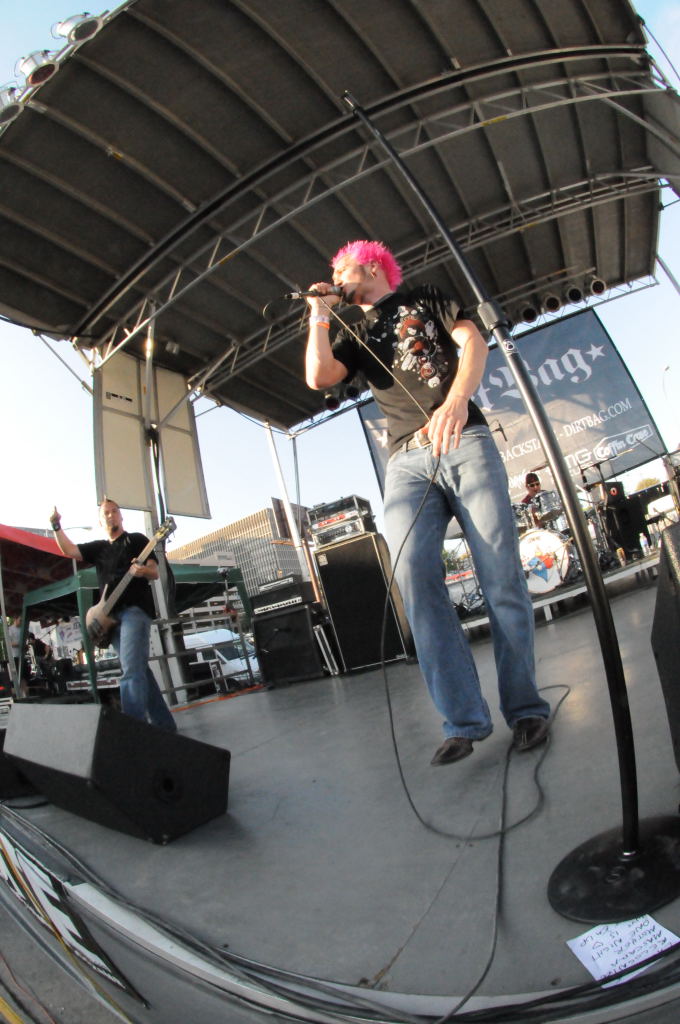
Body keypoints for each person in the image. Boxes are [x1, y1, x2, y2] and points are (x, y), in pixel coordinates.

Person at [305, 239, 550, 765]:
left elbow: (473, 342)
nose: (337, 278)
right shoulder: (351, 332)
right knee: (414, 577)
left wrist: (458, 399)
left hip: (464, 438)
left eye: (342, 269)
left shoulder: (428, 297)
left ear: (371, 266)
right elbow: (318, 376)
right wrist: (319, 316)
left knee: (501, 576)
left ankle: (526, 709)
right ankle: (464, 721)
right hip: (405, 460)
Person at [49, 499, 176, 732]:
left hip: (135, 610)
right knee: (138, 669)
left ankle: (132, 731)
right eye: (106, 513)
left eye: (114, 511)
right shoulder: (99, 548)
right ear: (100, 520)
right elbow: (69, 550)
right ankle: (164, 725)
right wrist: (56, 526)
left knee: (131, 670)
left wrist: (142, 570)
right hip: (109, 618)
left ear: (121, 516)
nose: (111, 515)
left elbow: (154, 572)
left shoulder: (137, 540)